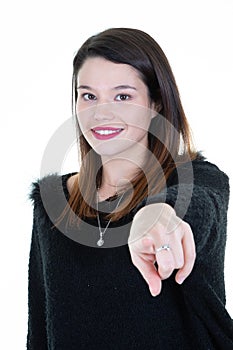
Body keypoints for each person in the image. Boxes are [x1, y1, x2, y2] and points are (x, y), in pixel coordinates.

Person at [27, 28, 233, 349]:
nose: (101, 112)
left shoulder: (199, 180)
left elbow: (200, 207)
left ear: (157, 104)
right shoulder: (52, 200)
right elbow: (40, 330)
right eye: (88, 95)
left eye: (123, 96)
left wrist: (158, 214)